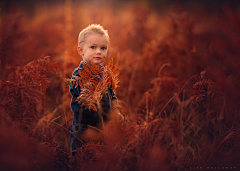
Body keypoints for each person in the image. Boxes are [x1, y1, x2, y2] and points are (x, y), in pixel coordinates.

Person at [69, 24, 124, 155]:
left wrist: (115, 111)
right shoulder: (79, 75)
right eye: (93, 47)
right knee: (81, 160)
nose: (99, 51)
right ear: (81, 50)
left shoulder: (105, 73)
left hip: (102, 127)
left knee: (99, 159)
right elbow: (87, 99)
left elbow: (112, 94)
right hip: (83, 128)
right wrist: (97, 84)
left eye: (103, 48)